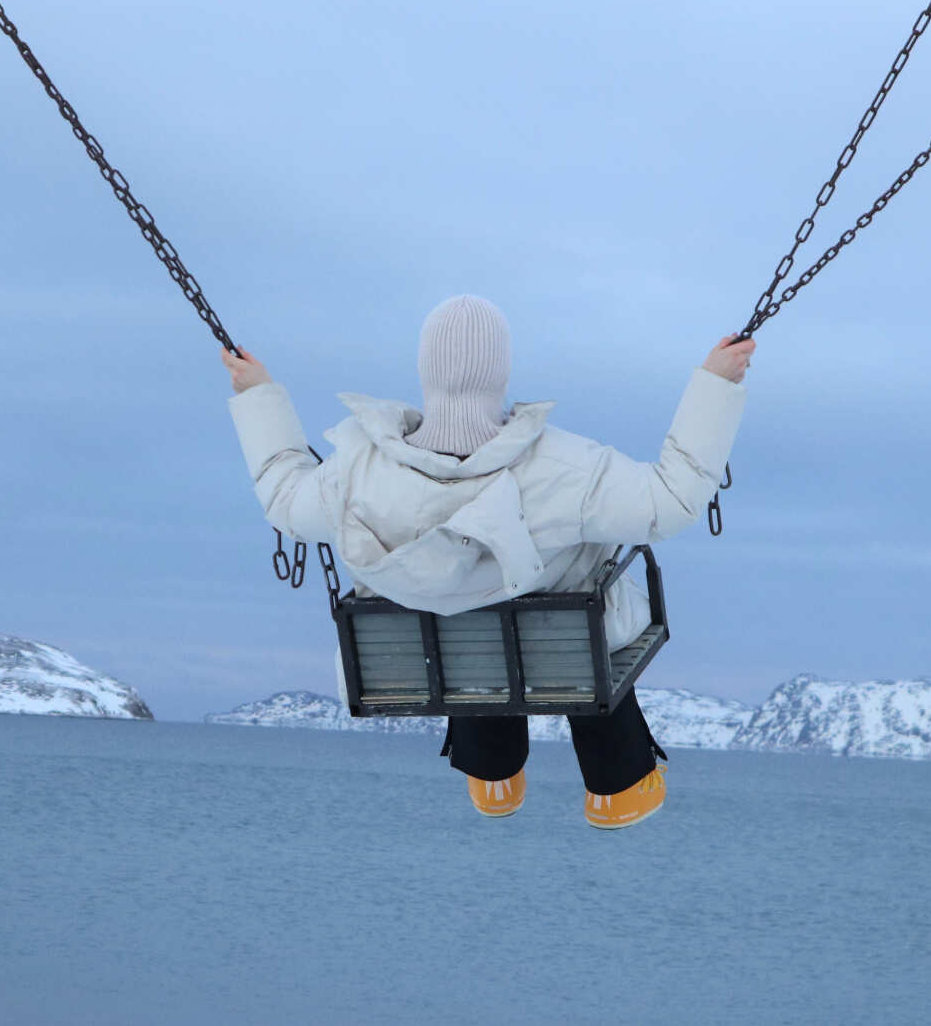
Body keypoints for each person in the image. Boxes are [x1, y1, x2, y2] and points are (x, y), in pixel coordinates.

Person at [223, 295, 752, 829]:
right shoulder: (568, 467)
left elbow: (285, 498)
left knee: (456, 623)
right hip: (565, 652)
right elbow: (672, 498)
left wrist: (258, 396)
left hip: (431, 660)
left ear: (425, 370)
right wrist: (715, 385)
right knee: (578, 611)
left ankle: (493, 774)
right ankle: (618, 787)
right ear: (501, 372)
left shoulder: (355, 472)